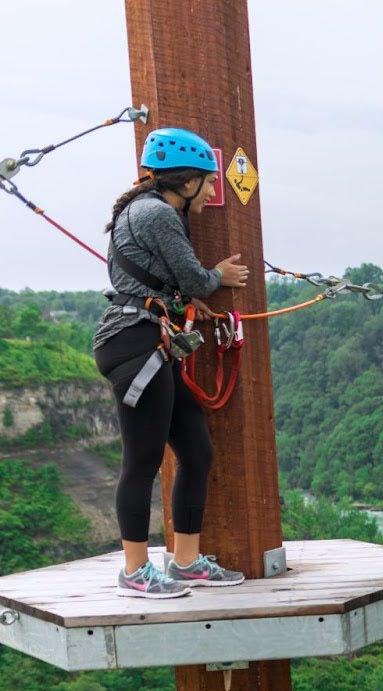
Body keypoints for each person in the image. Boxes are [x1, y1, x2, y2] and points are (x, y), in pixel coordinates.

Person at [93, 127, 251, 598]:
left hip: (145, 337)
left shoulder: (144, 211)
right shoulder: (158, 215)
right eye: (206, 183)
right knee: (141, 462)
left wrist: (183, 298)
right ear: (186, 183)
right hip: (134, 343)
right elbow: (195, 277)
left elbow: (171, 281)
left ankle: (185, 562)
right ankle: (135, 572)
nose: (208, 193)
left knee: (196, 449)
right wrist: (216, 277)